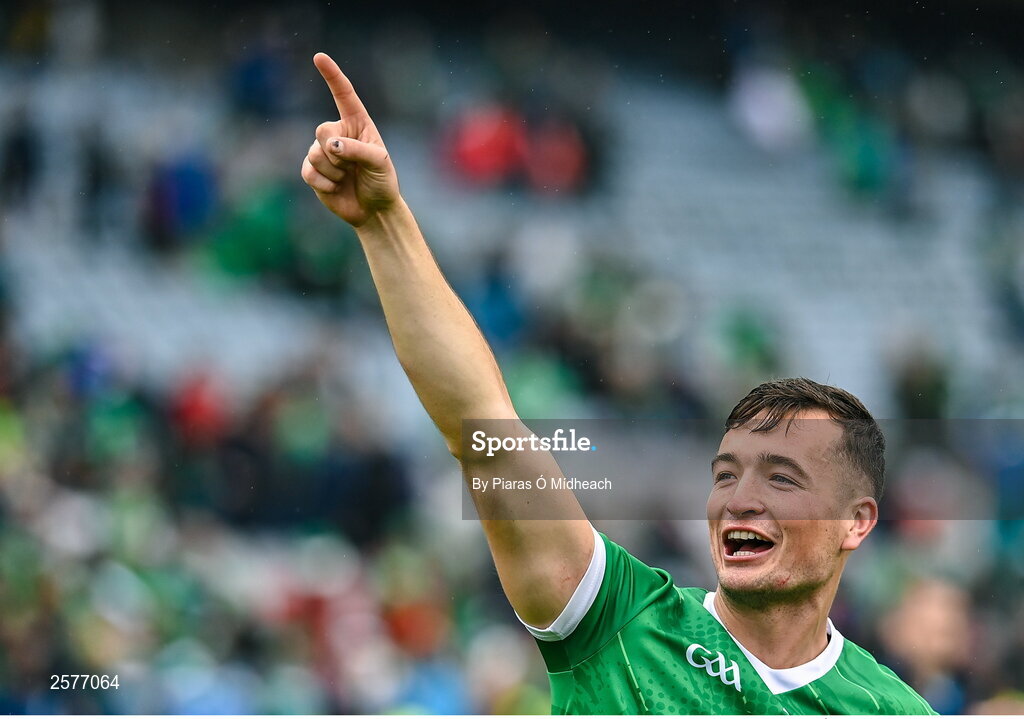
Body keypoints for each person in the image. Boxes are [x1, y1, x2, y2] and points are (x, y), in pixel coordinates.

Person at [300, 52, 936, 715]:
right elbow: (484, 426)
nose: (739, 500)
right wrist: (382, 222)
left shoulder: (892, 709)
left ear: (855, 521)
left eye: (780, 477)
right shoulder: (622, 622)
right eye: (726, 474)